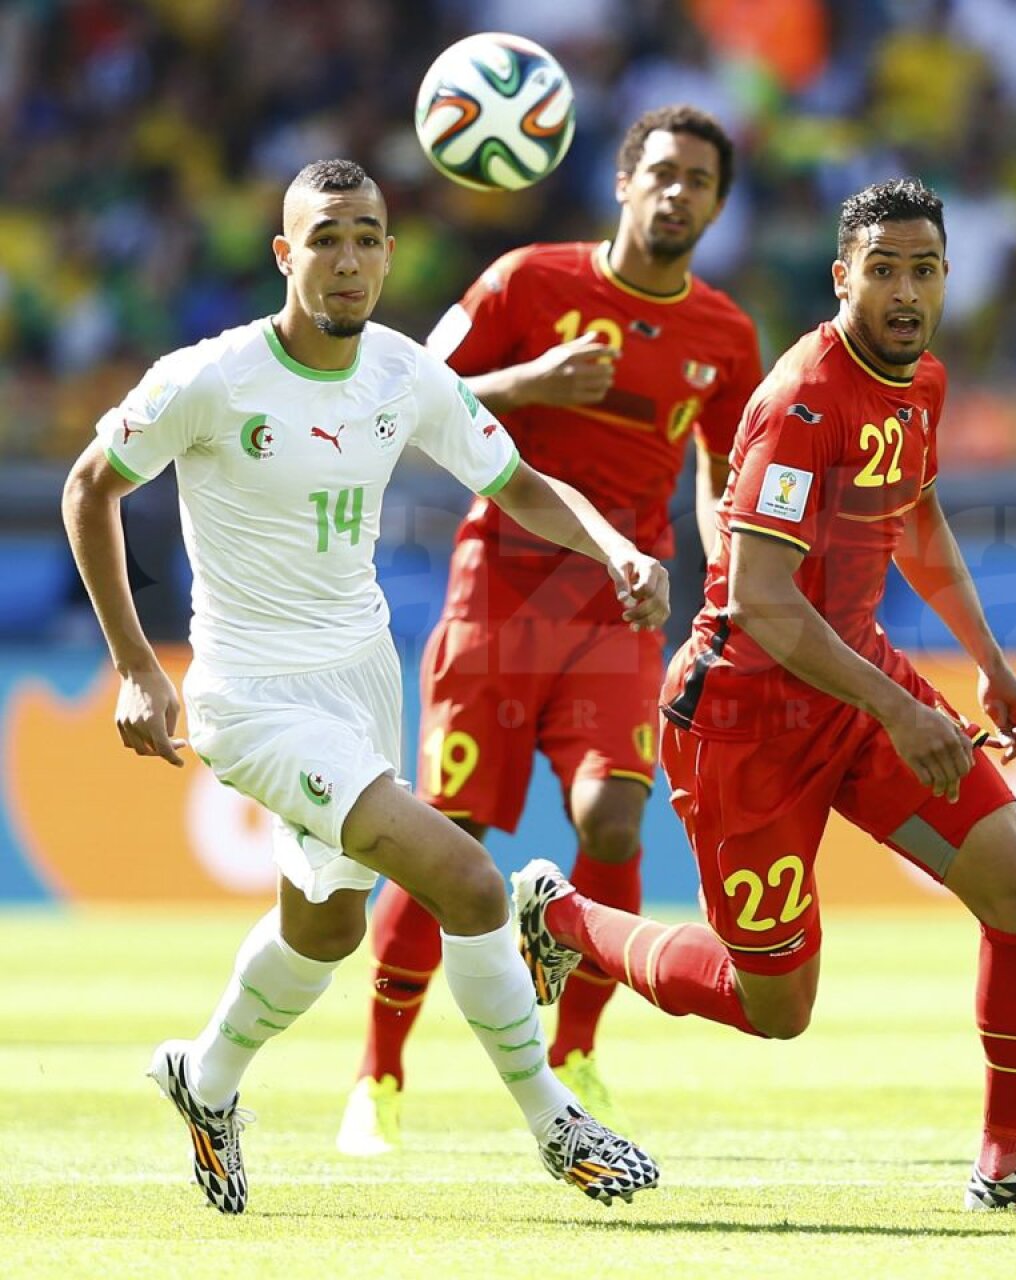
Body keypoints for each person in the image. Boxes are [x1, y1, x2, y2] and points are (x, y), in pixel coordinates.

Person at [509, 178, 1016, 1212]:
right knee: (777, 1006)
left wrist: (988, 657)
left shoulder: (921, 379)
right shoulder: (804, 397)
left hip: (853, 680)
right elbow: (758, 598)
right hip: (746, 720)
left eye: (923, 269)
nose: (904, 290)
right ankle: (568, 919)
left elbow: (917, 518)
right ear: (841, 276)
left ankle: (1009, 1161)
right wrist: (902, 707)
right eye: (882, 269)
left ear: (945, 278)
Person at [60, 159, 667, 1215]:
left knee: (328, 930)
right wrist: (135, 664)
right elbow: (89, 485)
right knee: (471, 881)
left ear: (390, 253)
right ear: (286, 254)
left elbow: (516, 480)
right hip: (252, 692)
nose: (350, 259)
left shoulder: (401, 373)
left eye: (369, 237)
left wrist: (613, 544)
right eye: (328, 237)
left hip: (361, 679)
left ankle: (202, 1081)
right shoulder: (212, 376)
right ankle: (553, 1122)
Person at [337, 106, 762, 1154]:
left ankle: (573, 1049)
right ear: (624, 182)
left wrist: (727, 571)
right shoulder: (528, 282)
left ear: (716, 203)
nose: (678, 192)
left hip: (621, 599)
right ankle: (378, 1075)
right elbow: (400, 398)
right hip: (502, 591)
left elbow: (726, 466)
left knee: (614, 819)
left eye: (699, 180)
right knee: (454, 838)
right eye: (661, 171)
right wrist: (525, 384)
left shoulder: (725, 335)